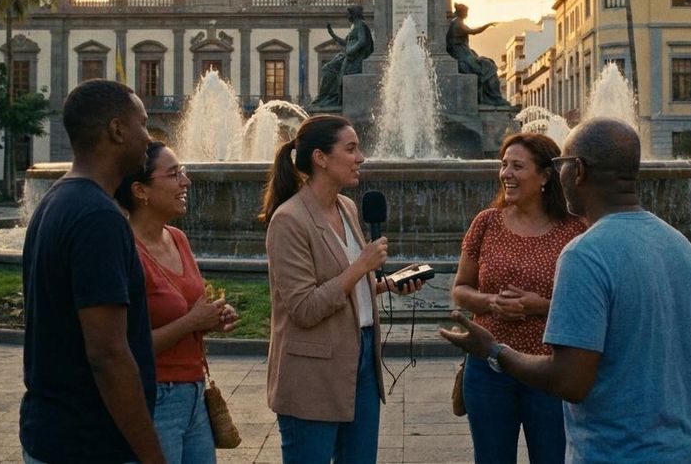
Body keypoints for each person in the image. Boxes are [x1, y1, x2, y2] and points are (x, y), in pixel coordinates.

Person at [442, 118, 691, 463]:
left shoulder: (584, 252)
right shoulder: (682, 247)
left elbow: (569, 380)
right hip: (685, 450)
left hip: (616, 451)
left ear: (579, 170)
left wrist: (493, 350)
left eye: (561, 165)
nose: (560, 174)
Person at [261, 114, 423, 464]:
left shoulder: (347, 207)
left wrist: (386, 285)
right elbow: (304, 309)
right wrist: (361, 266)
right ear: (320, 158)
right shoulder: (289, 220)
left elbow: (344, 289)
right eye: (350, 149)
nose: (360, 157)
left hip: (362, 359)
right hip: (311, 372)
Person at [19, 79, 165, 464]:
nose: (149, 138)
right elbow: (108, 353)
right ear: (117, 130)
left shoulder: (56, 200)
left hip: (51, 431)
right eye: (142, 124)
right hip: (91, 443)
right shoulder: (99, 218)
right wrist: (153, 456)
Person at [451, 132, 585, 464]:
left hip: (549, 369)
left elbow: (589, 306)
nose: (506, 174)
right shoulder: (486, 222)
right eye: (504, 165)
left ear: (545, 176)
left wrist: (540, 307)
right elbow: (461, 289)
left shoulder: (575, 229)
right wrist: (492, 303)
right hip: (488, 368)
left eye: (517, 166)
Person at [116, 141, 240, 463]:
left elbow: (190, 310)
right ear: (140, 191)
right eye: (173, 174)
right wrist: (191, 322)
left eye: (182, 172)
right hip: (155, 398)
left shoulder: (178, 238)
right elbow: (125, 346)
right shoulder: (125, 251)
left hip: (195, 394)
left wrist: (214, 317)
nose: (185, 181)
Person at [446, 4, 510, 107]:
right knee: (489, 67)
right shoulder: (457, 24)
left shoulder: (457, 22)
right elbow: (474, 32)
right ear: (461, 12)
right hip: (462, 57)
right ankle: (494, 98)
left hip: (464, 54)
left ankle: (492, 97)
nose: (467, 14)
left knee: (488, 63)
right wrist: (487, 25)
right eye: (466, 12)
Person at [311, 4, 375, 108]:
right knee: (327, 68)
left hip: (354, 60)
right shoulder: (355, 26)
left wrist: (350, 51)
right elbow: (346, 43)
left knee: (328, 69)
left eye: (348, 14)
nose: (347, 16)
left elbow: (362, 41)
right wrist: (332, 35)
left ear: (353, 14)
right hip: (348, 57)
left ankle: (326, 98)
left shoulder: (360, 24)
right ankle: (325, 98)